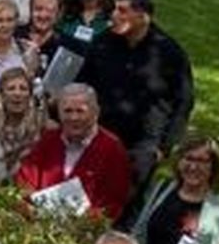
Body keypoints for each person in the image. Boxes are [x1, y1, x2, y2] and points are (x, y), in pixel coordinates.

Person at [77, 0, 196, 193]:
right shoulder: (103, 43)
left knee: (126, 200)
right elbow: (83, 82)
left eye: (122, 11)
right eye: (114, 9)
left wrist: (165, 147)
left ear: (143, 17)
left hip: (143, 144)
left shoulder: (169, 53)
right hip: (100, 132)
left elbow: (184, 101)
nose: (114, 15)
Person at [14, 83, 133, 220]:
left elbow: (112, 204)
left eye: (80, 111)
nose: (73, 118)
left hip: (83, 233)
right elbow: (24, 181)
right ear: (59, 112)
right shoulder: (47, 140)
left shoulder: (113, 150)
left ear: (96, 113)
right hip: (35, 226)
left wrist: (77, 221)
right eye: (68, 111)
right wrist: (33, 209)